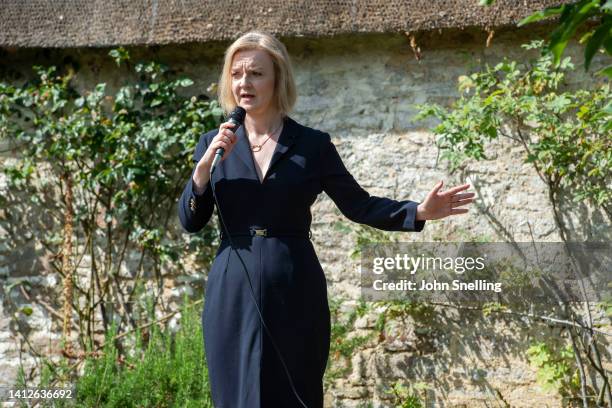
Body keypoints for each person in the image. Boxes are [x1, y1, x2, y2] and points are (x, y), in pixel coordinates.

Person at [178, 30, 474, 408]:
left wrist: (418, 211)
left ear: (277, 79)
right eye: (236, 74)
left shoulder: (312, 145)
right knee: (235, 394)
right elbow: (190, 221)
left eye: (255, 73)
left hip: (294, 283)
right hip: (232, 287)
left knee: (295, 390)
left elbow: (359, 205)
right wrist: (201, 175)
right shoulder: (212, 144)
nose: (244, 83)